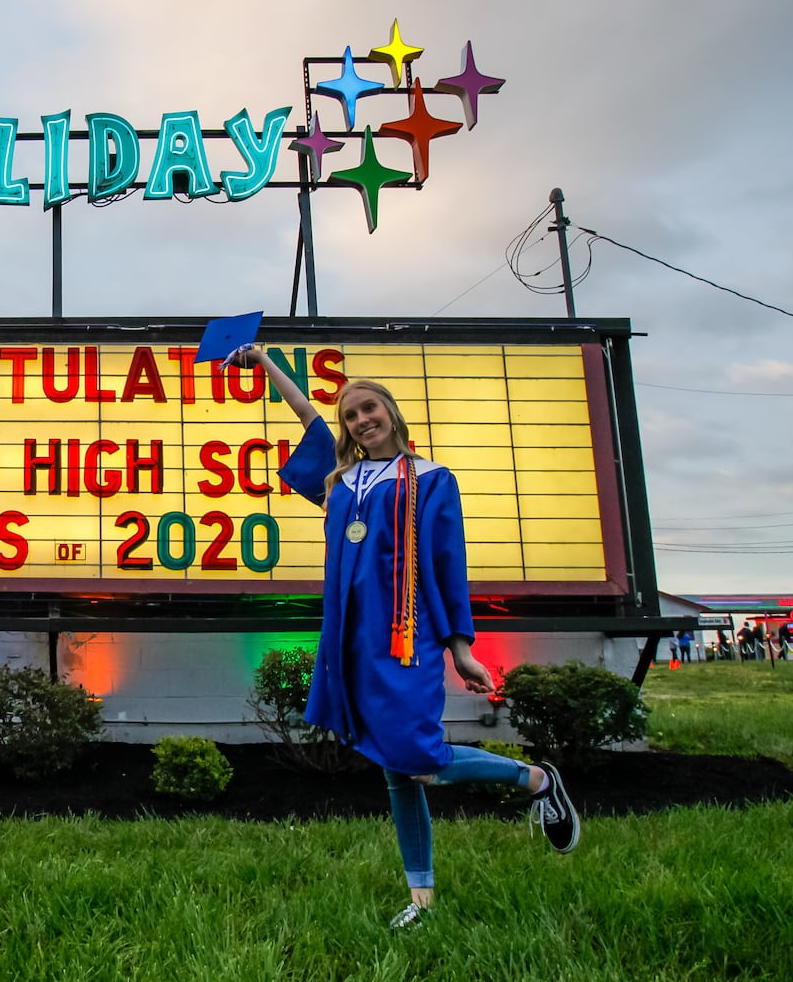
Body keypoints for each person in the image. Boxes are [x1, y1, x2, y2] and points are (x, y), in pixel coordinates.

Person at [227, 344, 580, 930]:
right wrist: (264, 361)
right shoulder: (342, 481)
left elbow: (448, 561)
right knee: (395, 769)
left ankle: (539, 780)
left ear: (391, 411)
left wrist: (460, 646)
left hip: (405, 635)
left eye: (370, 408)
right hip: (351, 640)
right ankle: (422, 901)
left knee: (421, 760)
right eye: (351, 415)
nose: (361, 420)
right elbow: (305, 417)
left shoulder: (432, 478)